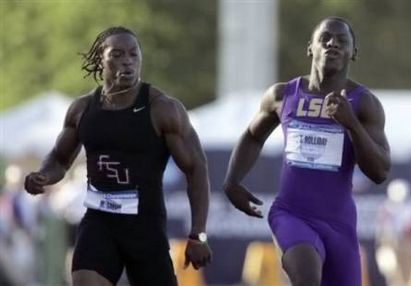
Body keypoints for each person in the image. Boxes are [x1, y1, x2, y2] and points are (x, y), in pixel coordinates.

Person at [24, 26, 212, 286]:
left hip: (145, 226)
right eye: (118, 54)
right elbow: (60, 159)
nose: (128, 61)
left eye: (134, 55)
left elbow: (196, 169)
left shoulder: (163, 109)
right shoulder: (82, 110)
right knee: (84, 281)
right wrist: (43, 176)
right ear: (101, 60)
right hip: (99, 221)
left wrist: (198, 235)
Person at [224, 17, 391, 286]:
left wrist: (351, 125)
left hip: (339, 224)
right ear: (310, 47)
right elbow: (253, 137)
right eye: (325, 37)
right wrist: (232, 182)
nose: (332, 43)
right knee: (307, 278)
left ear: (353, 53)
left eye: (341, 40)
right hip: (292, 213)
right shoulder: (282, 95)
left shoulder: (364, 104)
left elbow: (380, 172)